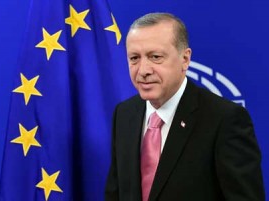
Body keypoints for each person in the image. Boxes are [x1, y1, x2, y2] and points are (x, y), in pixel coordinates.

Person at [105, 12, 265, 201]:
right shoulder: (124, 114)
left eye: (155, 57)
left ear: (185, 59)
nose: (143, 70)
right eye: (134, 58)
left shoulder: (225, 119)